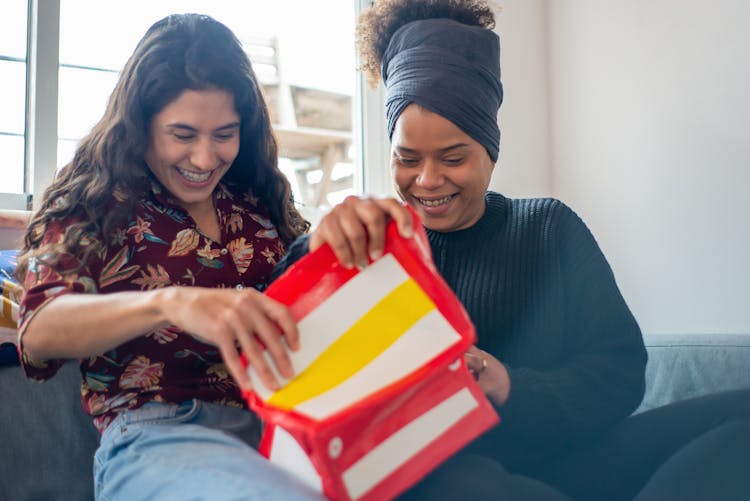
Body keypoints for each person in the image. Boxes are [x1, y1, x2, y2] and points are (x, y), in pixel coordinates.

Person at [274, 1, 750, 500]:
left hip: (575, 461)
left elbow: (620, 372)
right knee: (464, 481)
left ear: (490, 149)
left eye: (453, 157)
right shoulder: (371, 246)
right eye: (407, 159)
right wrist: (314, 246)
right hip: (453, 477)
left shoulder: (547, 228)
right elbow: (276, 350)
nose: (427, 180)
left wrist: (508, 385)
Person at [15, 13, 330, 501]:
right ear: (140, 123)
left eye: (224, 134)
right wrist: (169, 302)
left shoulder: (254, 197)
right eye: (182, 135)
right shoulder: (97, 198)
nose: (205, 159)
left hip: (284, 429)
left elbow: (308, 302)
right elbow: (38, 328)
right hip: (158, 437)